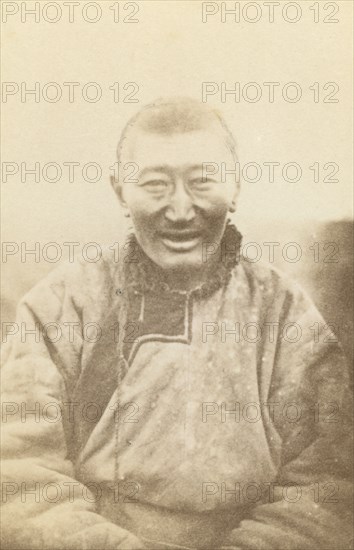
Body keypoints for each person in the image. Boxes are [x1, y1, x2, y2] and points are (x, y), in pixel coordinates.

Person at [1, 98, 352, 550]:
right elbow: (19, 474)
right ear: (119, 192)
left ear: (236, 188)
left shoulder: (284, 314)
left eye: (202, 181)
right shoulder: (62, 305)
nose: (181, 210)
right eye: (155, 184)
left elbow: (327, 483)